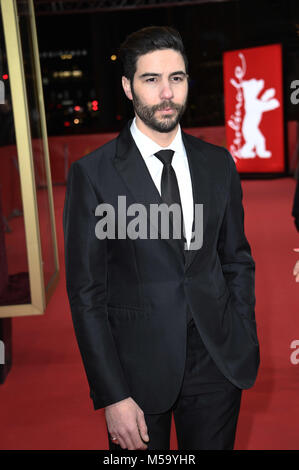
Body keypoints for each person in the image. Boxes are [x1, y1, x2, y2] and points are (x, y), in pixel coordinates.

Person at [63, 26, 260, 451]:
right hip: (135, 372)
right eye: (151, 79)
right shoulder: (93, 175)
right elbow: (86, 294)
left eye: (177, 77)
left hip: (217, 362)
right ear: (127, 86)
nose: (166, 93)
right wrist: (112, 394)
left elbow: (236, 259)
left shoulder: (217, 164)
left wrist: (243, 331)